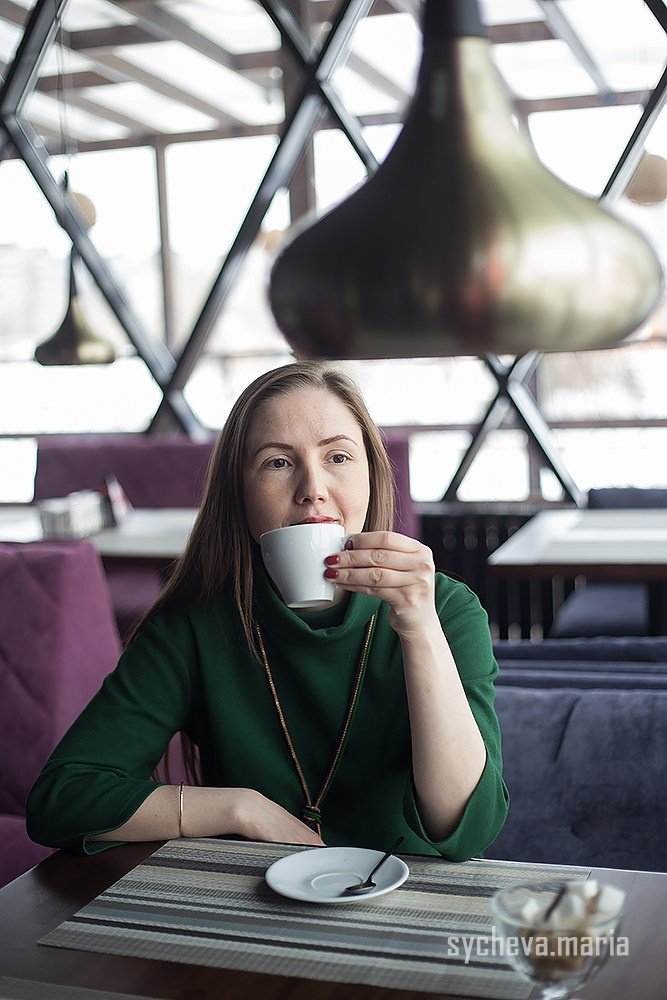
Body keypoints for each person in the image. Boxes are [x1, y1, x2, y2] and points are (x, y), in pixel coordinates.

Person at [27, 362, 508, 860]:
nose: (313, 488)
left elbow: (467, 829)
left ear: (371, 475)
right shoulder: (195, 625)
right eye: (277, 462)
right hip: (252, 898)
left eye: (338, 456)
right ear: (239, 493)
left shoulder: (446, 610)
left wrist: (420, 630)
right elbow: (61, 799)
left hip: (407, 895)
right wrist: (237, 808)